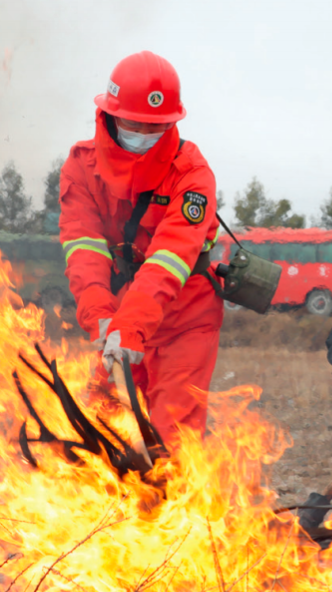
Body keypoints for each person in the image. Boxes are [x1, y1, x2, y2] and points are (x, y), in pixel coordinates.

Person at [60, 51, 221, 450]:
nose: (145, 135)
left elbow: (170, 258)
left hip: (184, 318)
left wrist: (132, 325)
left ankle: (170, 509)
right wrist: (99, 313)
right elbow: (83, 247)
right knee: (106, 429)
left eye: (157, 127)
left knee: (171, 438)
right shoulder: (81, 166)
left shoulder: (193, 175)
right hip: (117, 311)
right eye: (135, 124)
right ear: (110, 115)